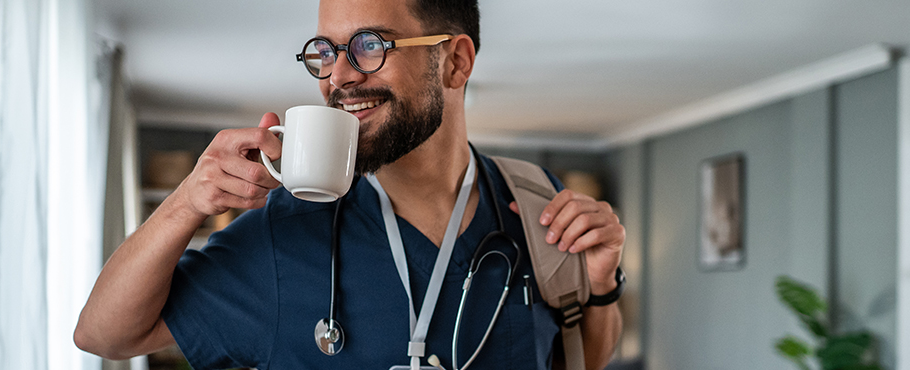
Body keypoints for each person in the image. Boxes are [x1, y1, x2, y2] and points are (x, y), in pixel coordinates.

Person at [74, 0, 625, 368]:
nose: (337, 76)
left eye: (369, 45)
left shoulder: (534, 200)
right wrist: (185, 203)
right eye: (326, 52)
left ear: (455, 62)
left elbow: (579, 355)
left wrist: (600, 286)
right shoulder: (283, 234)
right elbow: (104, 335)